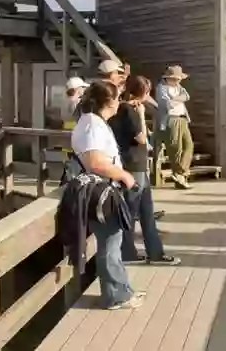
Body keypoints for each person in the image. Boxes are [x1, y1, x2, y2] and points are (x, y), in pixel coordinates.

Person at [70, 80, 145, 310]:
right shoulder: (92, 124)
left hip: (103, 188)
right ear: (109, 101)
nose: (119, 102)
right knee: (110, 243)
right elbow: (94, 161)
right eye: (118, 97)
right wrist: (124, 175)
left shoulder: (93, 121)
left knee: (113, 240)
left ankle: (121, 289)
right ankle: (115, 296)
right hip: (101, 189)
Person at [109, 76, 180, 266]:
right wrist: (140, 114)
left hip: (136, 165)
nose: (148, 95)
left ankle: (154, 252)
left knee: (146, 212)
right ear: (141, 92)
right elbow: (141, 137)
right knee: (131, 212)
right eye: (147, 92)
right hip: (134, 165)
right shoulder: (128, 110)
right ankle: (127, 252)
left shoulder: (122, 108)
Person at [157, 65, 194, 189]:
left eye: (179, 79)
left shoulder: (179, 88)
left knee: (189, 145)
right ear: (168, 78)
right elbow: (167, 104)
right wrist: (178, 99)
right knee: (175, 147)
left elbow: (187, 96)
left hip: (183, 118)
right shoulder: (161, 88)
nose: (178, 81)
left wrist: (175, 99)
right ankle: (179, 177)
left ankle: (180, 172)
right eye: (175, 79)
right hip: (171, 119)